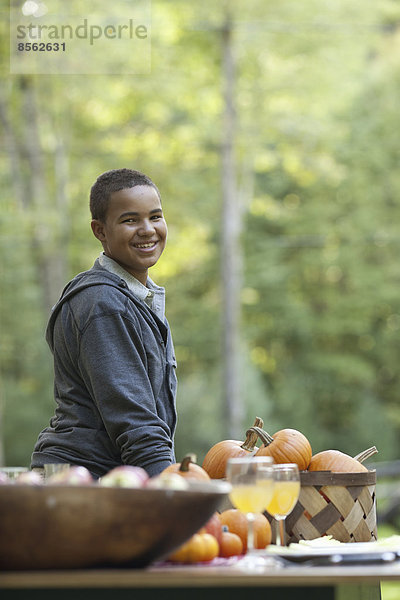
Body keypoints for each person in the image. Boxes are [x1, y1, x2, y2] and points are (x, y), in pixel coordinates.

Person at [31, 168, 177, 478]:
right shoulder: (103, 305)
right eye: (129, 220)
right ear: (100, 230)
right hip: (81, 484)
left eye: (155, 216)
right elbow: (136, 425)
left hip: (112, 480)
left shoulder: (134, 299)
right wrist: (175, 494)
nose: (148, 229)